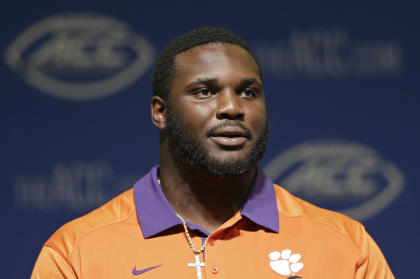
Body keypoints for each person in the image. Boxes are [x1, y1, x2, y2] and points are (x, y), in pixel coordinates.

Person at [31, 27, 394, 279]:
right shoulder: (78, 250)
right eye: (205, 91)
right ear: (160, 112)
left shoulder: (344, 243)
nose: (232, 108)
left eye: (248, 92)